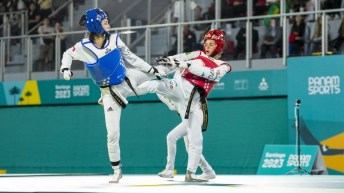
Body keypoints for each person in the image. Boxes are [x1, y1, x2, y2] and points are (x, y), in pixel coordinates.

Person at [59, 8, 166, 183]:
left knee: (159, 71)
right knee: (112, 134)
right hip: (109, 93)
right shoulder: (82, 47)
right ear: (95, 25)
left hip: (128, 77)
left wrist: (151, 69)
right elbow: (67, 54)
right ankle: (117, 171)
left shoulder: (115, 40)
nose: (109, 24)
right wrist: (65, 69)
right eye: (105, 22)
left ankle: (177, 68)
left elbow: (132, 58)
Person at [137, 29, 231, 182]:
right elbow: (176, 59)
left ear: (219, 46)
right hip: (180, 97)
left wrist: (186, 64)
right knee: (172, 137)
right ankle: (171, 169)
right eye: (206, 43)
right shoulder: (196, 54)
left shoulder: (223, 65)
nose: (207, 47)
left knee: (194, 142)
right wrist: (164, 66)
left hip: (196, 104)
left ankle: (192, 173)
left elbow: (211, 74)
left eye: (211, 44)